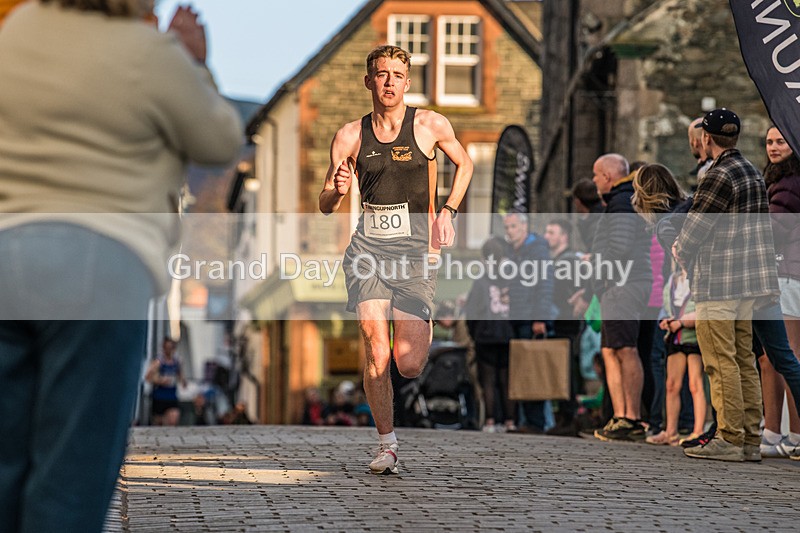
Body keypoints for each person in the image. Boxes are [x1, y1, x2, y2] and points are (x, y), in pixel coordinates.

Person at [0, 1, 242, 531]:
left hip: (8, 252)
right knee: (71, 478)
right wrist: (194, 61)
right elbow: (220, 140)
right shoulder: (149, 55)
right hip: (101, 264)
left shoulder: (16, 31)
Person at [318, 44, 472, 474]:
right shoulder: (350, 136)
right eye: (381, 74)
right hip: (368, 252)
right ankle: (387, 444)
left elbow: (465, 164)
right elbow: (326, 203)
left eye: (397, 75)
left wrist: (449, 210)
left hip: (417, 256)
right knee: (374, 347)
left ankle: (423, 319)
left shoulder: (428, 125)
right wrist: (339, 189)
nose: (389, 82)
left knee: (408, 363)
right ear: (369, 81)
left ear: (407, 82)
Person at [674, 108, 779, 462]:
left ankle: (730, 437)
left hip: (720, 280)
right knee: (743, 360)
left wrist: (679, 248)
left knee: (720, 361)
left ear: (706, 138)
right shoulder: (751, 170)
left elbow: (697, 226)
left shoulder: (718, 174)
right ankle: (749, 438)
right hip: (748, 282)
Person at [575, 154, 653, 442]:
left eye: (596, 175)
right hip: (616, 284)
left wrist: (597, 264)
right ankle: (620, 416)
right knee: (610, 350)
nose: (594, 181)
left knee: (625, 349)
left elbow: (620, 246)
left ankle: (631, 417)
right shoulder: (620, 200)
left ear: (607, 176)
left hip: (624, 282)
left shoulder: (622, 201)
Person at [760, 124, 800, 457]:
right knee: (770, 358)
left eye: (781, 141)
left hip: (789, 275)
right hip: (779, 274)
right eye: (770, 141)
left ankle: (795, 433)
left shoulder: (789, 184)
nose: (774, 147)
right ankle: (772, 431)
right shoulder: (777, 181)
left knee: (789, 356)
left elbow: (773, 232)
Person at [503, 212, 555, 432]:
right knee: (523, 368)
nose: (509, 231)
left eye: (513, 226)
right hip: (519, 316)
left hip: (530, 318)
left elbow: (544, 284)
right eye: (507, 227)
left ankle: (536, 421)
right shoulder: (517, 251)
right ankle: (528, 420)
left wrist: (539, 318)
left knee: (533, 367)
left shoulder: (537, 250)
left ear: (524, 227)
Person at [465, 237, 516, 433]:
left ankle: (490, 422)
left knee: (487, 380)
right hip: (507, 335)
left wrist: (473, 332)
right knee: (506, 380)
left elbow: (471, 311)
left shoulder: (481, 281)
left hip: (485, 336)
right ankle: (510, 421)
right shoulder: (512, 279)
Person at [543, 219, 586, 435]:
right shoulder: (556, 260)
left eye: (552, 232)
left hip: (567, 322)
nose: (547, 236)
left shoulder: (569, 260)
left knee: (568, 369)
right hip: (559, 321)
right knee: (561, 369)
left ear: (564, 236)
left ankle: (570, 418)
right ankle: (564, 417)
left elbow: (567, 292)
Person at [146, 337, 185, 426]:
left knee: (173, 420)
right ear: (164, 348)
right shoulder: (158, 362)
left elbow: (181, 376)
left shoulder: (177, 362)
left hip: (172, 395)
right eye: (167, 348)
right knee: (159, 424)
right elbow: (148, 377)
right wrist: (160, 380)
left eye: (171, 348)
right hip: (159, 396)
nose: (169, 350)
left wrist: (183, 381)